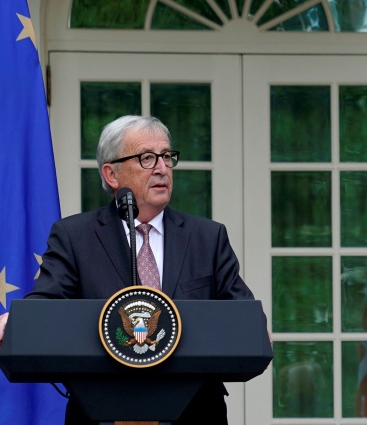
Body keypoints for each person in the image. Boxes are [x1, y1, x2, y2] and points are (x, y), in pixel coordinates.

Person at [0, 115, 255, 424]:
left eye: (166, 156)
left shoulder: (208, 238)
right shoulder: (74, 237)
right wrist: (21, 319)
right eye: (146, 158)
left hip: (195, 412)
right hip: (100, 411)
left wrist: (254, 327)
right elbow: (48, 301)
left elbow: (241, 318)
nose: (162, 168)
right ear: (111, 174)